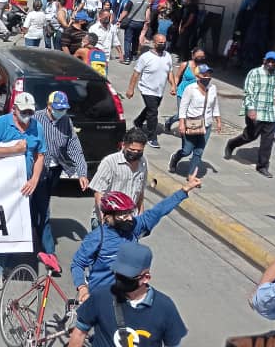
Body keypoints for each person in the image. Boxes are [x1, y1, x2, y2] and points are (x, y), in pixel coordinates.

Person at [71, 178, 201, 302]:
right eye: (123, 215)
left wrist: (184, 190)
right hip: (102, 296)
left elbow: (159, 210)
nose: (129, 218)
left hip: (128, 294)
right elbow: (78, 264)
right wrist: (82, 288)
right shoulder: (96, 238)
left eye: (130, 212)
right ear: (108, 217)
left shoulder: (134, 226)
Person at [0, 92, 46, 289]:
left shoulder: (37, 127)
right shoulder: (2, 123)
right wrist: (14, 150)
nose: (27, 115)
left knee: (13, 225)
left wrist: (34, 179)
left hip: (23, 187)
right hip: (1, 185)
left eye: (30, 112)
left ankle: (0, 264)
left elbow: (40, 155)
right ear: (14, 110)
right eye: (23, 111)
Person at [69, 242, 187, 347]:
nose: (120, 279)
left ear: (146, 278)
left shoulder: (165, 308)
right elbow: (79, 332)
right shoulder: (100, 296)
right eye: (118, 274)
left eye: (127, 277)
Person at [32, 91, 89, 255]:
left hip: (55, 170)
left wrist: (82, 173)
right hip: (37, 170)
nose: (61, 112)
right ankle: (49, 251)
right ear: (49, 107)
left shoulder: (66, 121)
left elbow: (74, 148)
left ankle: (37, 230)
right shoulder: (36, 119)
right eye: (58, 108)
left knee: (41, 203)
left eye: (63, 109)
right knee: (43, 208)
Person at [226, 51, 275, 178]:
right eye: (269, 61)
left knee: (267, 141)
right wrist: (251, 109)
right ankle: (231, 144)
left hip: (270, 112)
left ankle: (262, 166)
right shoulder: (254, 73)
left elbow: (273, 89)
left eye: (273, 62)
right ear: (264, 60)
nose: (271, 63)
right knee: (250, 136)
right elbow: (248, 92)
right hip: (255, 111)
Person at [88, 128, 149, 228]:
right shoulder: (109, 162)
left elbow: (140, 192)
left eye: (139, 151)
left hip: (129, 221)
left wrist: (140, 215)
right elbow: (98, 193)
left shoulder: (143, 162)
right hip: (108, 221)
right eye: (132, 150)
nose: (135, 153)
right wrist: (104, 220)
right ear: (124, 145)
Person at [169, 64, 221, 177]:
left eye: (209, 74)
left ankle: (191, 175)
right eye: (204, 74)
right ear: (198, 76)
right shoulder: (190, 89)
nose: (207, 77)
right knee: (187, 150)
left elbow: (215, 104)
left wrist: (218, 119)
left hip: (206, 124)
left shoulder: (213, 88)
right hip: (192, 123)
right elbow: (183, 107)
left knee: (199, 151)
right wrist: (182, 123)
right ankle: (175, 158)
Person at [125, 33, 174, 149]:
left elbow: (170, 72)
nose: (162, 44)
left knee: (151, 108)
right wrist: (130, 89)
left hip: (159, 89)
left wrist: (173, 86)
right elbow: (136, 73)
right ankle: (152, 137)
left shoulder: (167, 56)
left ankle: (138, 122)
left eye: (164, 42)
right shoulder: (145, 57)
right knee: (153, 112)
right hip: (147, 89)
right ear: (154, 43)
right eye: (160, 43)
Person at [163, 48, 205, 135]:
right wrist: (174, 87)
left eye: (202, 57)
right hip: (182, 93)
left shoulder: (203, 67)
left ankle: (189, 131)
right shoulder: (185, 65)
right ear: (193, 56)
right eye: (198, 56)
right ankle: (169, 121)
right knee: (181, 114)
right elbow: (177, 76)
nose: (200, 58)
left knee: (190, 113)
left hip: (195, 94)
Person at [117, 0, 151, 64]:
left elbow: (125, 11)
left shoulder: (132, 0)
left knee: (127, 40)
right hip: (140, 23)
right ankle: (134, 55)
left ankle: (127, 58)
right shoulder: (146, 2)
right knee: (136, 39)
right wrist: (146, 21)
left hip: (131, 22)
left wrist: (119, 20)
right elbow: (147, 14)